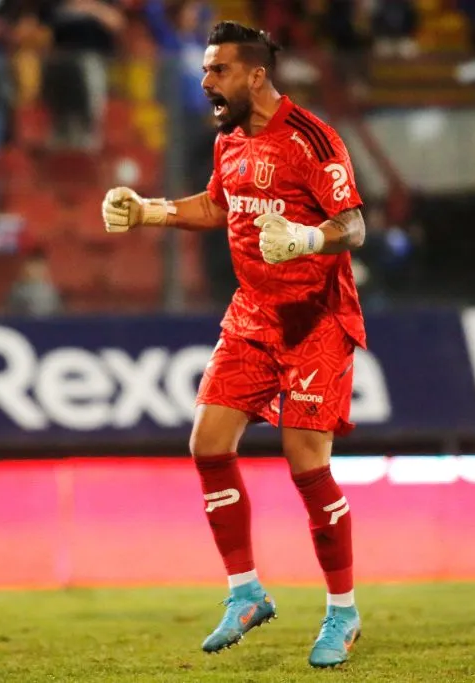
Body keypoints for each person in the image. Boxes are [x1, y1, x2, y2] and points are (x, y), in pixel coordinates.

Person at [101, 21, 367, 669]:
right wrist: (148, 210)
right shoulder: (230, 142)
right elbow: (219, 207)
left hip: (314, 319)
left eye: (217, 70)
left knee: (306, 464)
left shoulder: (312, 138)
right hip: (251, 314)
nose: (205, 82)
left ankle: (343, 609)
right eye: (204, 69)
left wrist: (306, 240)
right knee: (207, 443)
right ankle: (245, 590)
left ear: (255, 75)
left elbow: (353, 224)